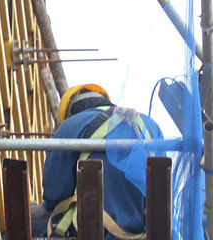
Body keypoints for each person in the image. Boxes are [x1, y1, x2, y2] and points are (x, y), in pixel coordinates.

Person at [38, 84, 164, 239]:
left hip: (89, 230)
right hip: (144, 233)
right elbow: (162, 189)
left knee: (36, 219)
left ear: (71, 111)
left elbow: (54, 192)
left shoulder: (71, 126)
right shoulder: (150, 126)